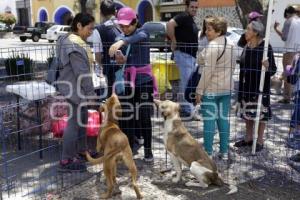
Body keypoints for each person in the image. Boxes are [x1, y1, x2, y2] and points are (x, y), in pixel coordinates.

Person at [108, 7, 155, 162]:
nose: (125, 28)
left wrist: (123, 41)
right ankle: (128, 148)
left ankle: (148, 149)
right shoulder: (120, 37)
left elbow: (139, 37)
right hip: (127, 82)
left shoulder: (143, 32)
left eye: (128, 25)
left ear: (135, 22)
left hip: (144, 81)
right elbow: (117, 60)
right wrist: (118, 59)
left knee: (144, 115)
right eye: (122, 26)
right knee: (127, 116)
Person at [56, 13, 96, 172]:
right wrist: (91, 93)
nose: (91, 31)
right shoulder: (73, 44)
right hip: (74, 89)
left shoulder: (72, 40)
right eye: (89, 28)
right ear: (79, 25)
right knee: (74, 122)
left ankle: (81, 150)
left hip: (74, 87)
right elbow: (82, 73)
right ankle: (66, 159)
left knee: (82, 118)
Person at [195, 17, 236, 159]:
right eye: (206, 28)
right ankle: (224, 151)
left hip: (211, 89)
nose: (206, 32)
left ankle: (208, 152)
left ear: (219, 31)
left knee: (209, 121)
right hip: (226, 88)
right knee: (223, 119)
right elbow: (233, 66)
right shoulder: (231, 43)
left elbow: (207, 70)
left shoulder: (212, 46)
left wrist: (199, 91)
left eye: (209, 29)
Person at [234, 21, 277, 152]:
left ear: (256, 32)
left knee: (261, 113)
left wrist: (267, 66)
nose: (245, 31)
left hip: (260, 86)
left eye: (248, 29)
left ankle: (259, 140)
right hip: (246, 85)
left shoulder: (265, 47)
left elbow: (273, 69)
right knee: (247, 112)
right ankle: (248, 138)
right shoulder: (247, 46)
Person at [166, 0, 200, 120]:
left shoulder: (190, 19)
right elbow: (169, 24)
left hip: (189, 56)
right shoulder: (183, 16)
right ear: (187, 7)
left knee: (187, 83)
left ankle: (185, 108)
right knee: (186, 84)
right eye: (192, 7)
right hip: (184, 55)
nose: (194, 9)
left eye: (196, 7)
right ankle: (187, 110)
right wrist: (174, 40)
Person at [92, 0, 121, 99]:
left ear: (101, 13)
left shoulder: (99, 30)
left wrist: (103, 65)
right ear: (115, 12)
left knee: (113, 101)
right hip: (130, 70)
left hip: (111, 70)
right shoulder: (125, 25)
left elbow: (98, 56)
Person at [274, 6, 300, 104]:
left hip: (289, 52)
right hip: (298, 52)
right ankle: (293, 95)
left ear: (287, 13)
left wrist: (276, 28)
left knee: (288, 73)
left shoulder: (289, 21)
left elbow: (284, 37)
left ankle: (286, 97)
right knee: (294, 74)